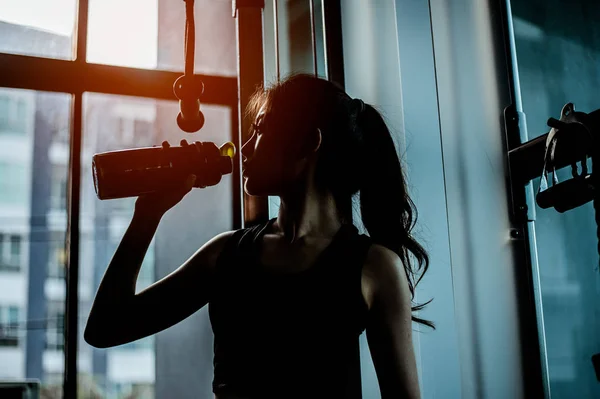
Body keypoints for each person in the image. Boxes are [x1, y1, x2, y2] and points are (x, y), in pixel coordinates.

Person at [84, 74, 433, 399]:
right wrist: (147, 215)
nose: (244, 146)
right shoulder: (227, 254)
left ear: (309, 142)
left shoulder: (374, 267)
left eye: (260, 129)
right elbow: (105, 328)